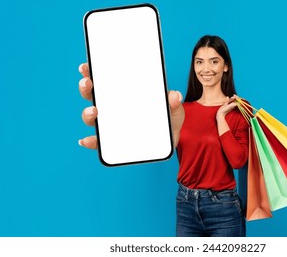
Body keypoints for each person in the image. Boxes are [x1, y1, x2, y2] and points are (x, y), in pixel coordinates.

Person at [78, 35, 249, 237]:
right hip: (185, 204)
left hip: (223, 207)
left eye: (214, 61)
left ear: (226, 66)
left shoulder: (236, 112)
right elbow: (151, 141)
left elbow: (238, 161)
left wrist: (221, 117)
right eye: (199, 62)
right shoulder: (180, 111)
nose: (206, 69)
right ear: (193, 66)